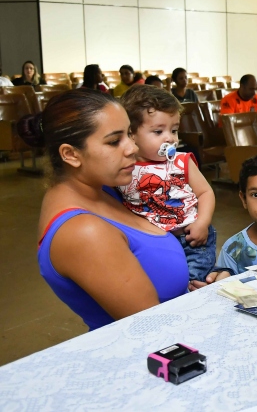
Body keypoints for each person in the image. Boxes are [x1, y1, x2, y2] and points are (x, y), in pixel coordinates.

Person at [22, 90, 192, 331]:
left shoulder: (104, 189)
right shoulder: (83, 232)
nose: (132, 148)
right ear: (71, 154)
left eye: (129, 135)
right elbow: (153, 329)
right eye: (114, 141)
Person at [116, 85, 219, 288]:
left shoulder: (181, 161)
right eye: (158, 131)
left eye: (174, 130)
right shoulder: (125, 168)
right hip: (155, 244)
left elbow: (205, 192)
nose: (170, 138)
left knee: (193, 285)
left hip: (191, 240)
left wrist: (203, 222)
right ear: (132, 134)